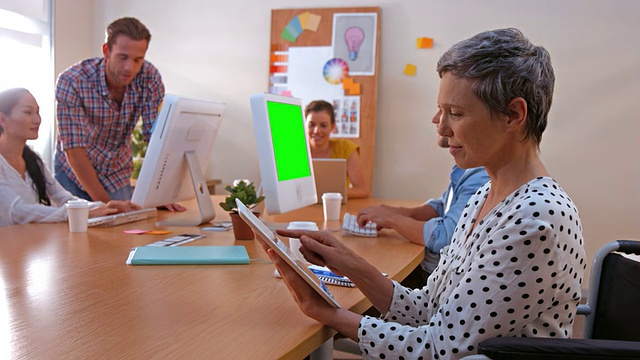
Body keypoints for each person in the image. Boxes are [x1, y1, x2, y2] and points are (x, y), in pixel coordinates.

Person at [259, 28, 587, 359]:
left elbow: (438, 348)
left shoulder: (534, 220)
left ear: (514, 115)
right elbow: (429, 308)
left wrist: (328, 313)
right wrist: (351, 264)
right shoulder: (484, 197)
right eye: (440, 110)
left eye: (455, 113)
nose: (441, 127)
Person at [54, 17, 171, 205]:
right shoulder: (72, 81)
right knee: (77, 230)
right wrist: (107, 206)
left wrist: (161, 192)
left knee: (121, 231)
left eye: (137, 59)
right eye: (122, 57)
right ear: (106, 51)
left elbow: (155, 137)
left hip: (116, 170)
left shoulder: (149, 77)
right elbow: (73, 149)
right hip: (74, 171)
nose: (129, 68)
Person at [357, 126, 489, 288]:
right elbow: (442, 206)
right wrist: (396, 212)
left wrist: (392, 220)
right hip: (434, 275)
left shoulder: (481, 175)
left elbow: (444, 237)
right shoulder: (467, 169)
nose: (437, 121)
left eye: (454, 113)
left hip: (437, 280)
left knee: (366, 279)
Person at [0, 88, 139, 226]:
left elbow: (65, 199)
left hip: (30, 242)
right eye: (28, 112)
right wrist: (82, 213)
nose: (37, 120)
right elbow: (17, 211)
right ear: (2, 119)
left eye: (37, 112)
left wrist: (108, 207)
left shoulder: (33, 159)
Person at [304, 100, 371, 199]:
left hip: (336, 207)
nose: (316, 131)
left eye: (323, 125)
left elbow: (363, 189)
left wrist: (327, 196)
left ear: (333, 127)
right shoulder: (296, 150)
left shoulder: (346, 148)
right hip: (303, 209)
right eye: (311, 125)